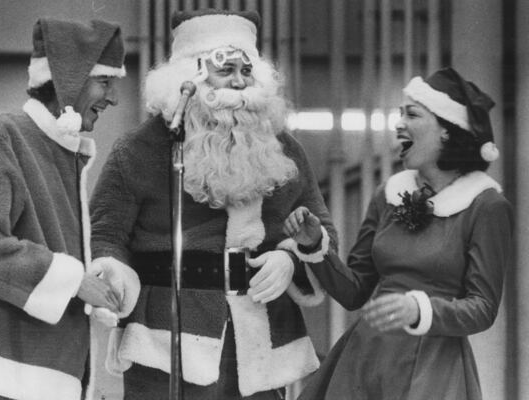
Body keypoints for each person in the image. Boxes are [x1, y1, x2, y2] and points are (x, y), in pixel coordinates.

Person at [90, 9, 338, 400]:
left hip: (260, 339)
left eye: (247, 70)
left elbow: (324, 234)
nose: (239, 82)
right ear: (190, 78)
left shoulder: (285, 149)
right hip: (165, 339)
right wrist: (112, 275)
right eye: (226, 70)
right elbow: (105, 235)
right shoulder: (138, 149)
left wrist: (290, 259)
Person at [0, 18, 128, 400]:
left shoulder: (59, 154)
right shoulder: (1, 136)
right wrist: (74, 281)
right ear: (69, 79)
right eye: (104, 82)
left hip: (38, 380)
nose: (114, 98)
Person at [285, 67, 513, 400]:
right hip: (365, 357)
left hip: (434, 367)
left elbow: (482, 308)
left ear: (447, 131)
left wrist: (418, 310)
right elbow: (354, 292)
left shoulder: (486, 205)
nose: (399, 123)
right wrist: (314, 246)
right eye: (399, 114)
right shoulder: (387, 194)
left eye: (412, 114)